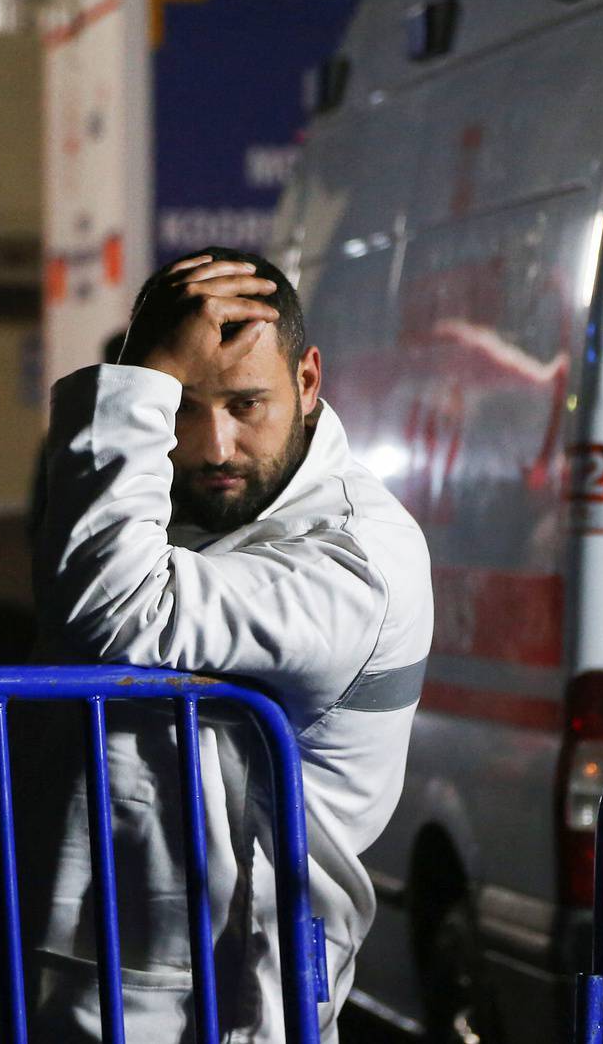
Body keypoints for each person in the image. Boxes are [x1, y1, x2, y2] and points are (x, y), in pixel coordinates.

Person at [26, 247, 433, 1041]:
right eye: (181, 407)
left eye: (247, 404)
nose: (212, 447)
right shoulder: (199, 504)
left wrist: (143, 383)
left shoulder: (355, 557)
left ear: (309, 382)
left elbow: (118, 609)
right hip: (114, 971)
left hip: (220, 997)